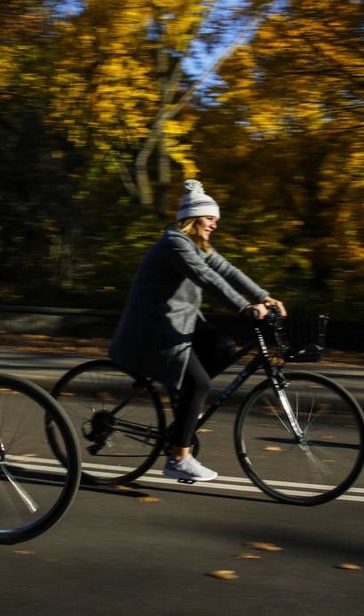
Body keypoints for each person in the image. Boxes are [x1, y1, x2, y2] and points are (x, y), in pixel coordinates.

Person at [109, 179, 287, 483]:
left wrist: (263, 296)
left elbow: (228, 271)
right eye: (210, 218)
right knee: (200, 384)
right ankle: (179, 458)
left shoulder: (197, 246)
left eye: (217, 220)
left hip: (182, 321)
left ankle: (181, 420)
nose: (215, 225)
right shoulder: (175, 243)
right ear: (193, 218)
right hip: (155, 327)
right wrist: (244, 307)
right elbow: (207, 279)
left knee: (223, 347)